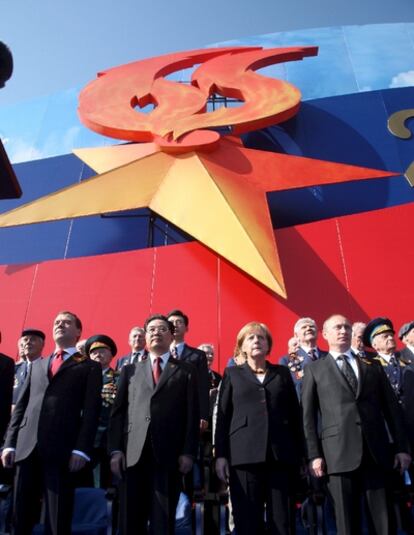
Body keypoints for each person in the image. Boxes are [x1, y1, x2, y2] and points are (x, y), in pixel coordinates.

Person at [302, 314, 411, 535]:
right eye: (337, 327)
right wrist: (314, 454)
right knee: (346, 522)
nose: (343, 330)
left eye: (346, 327)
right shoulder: (315, 369)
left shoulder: (372, 364)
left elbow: (391, 410)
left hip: (375, 451)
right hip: (337, 455)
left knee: (383, 521)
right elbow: (309, 416)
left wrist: (401, 448)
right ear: (325, 334)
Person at [1, 311, 102, 535]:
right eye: (57, 322)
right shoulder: (38, 364)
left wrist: (81, 449)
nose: (60, 325)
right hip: (27, 449)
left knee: (57, 517)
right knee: (20, 515)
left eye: (66, 322)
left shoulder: (88, 366)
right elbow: (21, 407)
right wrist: (10, 443)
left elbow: (92, 412)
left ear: (78, 332)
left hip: (62, 450)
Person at [108, 314, 199, 534]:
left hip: (169, 453)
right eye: (151, 330)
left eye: (162, 329)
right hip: (133, 454)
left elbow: (192, 415)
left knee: (163, 518)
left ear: (171, 336)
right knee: (130, 517)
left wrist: (188, 452)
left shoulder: (186, 370)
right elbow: (118, 412)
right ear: (146, 338)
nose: (156, 333)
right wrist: (116, 450)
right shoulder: (130, 370)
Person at [215, 322, 304, 535]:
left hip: (280, 455)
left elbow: (295, 416)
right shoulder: (232, 374)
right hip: (244, 457)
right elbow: (223, 417)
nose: (256, 341)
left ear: (268, 345)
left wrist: (301, 455)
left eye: (261, 338)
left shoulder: (282, 373)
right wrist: (220, 455)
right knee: (247, 520)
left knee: (282, 521)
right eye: (251, 338)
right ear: (242, 347)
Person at [85, 334, 118, 489]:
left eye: (103, 350)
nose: (98, 354)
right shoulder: (81, 377)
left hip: (104, 439)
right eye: (94, 352)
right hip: (81, 438)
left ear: (111, 355)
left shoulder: (119, 378)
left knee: (100, 484)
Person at [167, 309, 209, 429]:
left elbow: (203, 386)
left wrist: (203, 415)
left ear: (186, 328)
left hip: (188, 410)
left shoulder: (198, 355)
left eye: (179, 322)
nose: (175, 325)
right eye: (171, 322)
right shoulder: (158, 355)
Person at [280, 317, 327, 396]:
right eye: (304, 327)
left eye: (312, 326)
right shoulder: (287, 360)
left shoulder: (329, 356)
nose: (308, 328)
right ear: (296, 335)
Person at [13, 329, 45, 406]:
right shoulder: (15, 369)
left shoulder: (47, 367)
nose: (28, 342)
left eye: (32, 339)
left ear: (42, 344)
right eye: (25, 339)